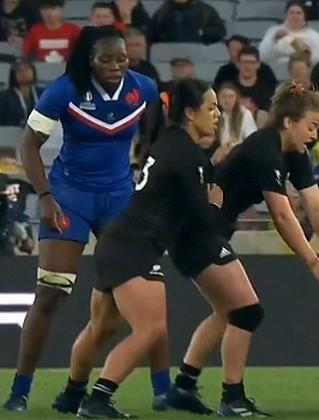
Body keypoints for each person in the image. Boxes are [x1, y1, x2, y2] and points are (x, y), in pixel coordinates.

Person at [2, 25, 164, 413]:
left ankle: (163, 391)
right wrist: (44, 197)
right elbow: (28, 144)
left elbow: (156, 132)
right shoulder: (65, 89)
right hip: (70, 197)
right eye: (105, 59)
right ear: (88, 59)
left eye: (121, 59)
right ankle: (20, 389)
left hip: (121, 200)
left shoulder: (144, 88)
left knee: (143, 299)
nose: (115, 66)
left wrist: (144, 165)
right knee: (52, 293)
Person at [161, 81, 319, 415]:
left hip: (206, 232)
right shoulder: (264, 146)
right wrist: (313, 262)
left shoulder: (294, 154)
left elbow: (315, 205)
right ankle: (232, 398)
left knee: (227, 311)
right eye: (312, 126)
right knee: (247, 311)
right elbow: (282, 214)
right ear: (289, 121)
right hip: (196, 233)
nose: (314, 135)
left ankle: (182, 389)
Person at [71, 78, 228, 418]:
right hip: (134, 247)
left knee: (102, 326)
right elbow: (202, 220)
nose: (218, 113)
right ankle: (97, 399)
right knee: (151, 329)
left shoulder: (168, 144)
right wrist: (215, 204)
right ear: (189, 113)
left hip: (120, 241)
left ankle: (73, 395)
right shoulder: (187, 154)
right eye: (211, 107)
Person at [258, 0, 319, 64]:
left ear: (304, 16)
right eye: (291, 13)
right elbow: (262, 56)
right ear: (286, 15)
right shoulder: (273, 31)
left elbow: (317, 60)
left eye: (298, 13)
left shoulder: (314, 36)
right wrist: (274, 39)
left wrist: (291, 39)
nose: (295, 16)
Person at [148, 0, 226, 44]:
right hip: (168, 55)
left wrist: (201, 32)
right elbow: (151, 33)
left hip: (196, 57)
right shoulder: (162, 11)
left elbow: (220, 31)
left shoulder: (205, 10)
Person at [0, 60, 41, 127]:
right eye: (19, 70)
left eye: (27, 69)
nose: (23, 73)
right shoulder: (3, 97)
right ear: (13, 75)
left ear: (33, 72)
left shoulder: (45, 93)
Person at [216, 83, 257, 147]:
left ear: (236, 98)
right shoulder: (216, 115)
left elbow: (251, 139)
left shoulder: (245, 114)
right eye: (224, 96)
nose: (227, 100)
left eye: (231, 96)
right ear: (218, 99)